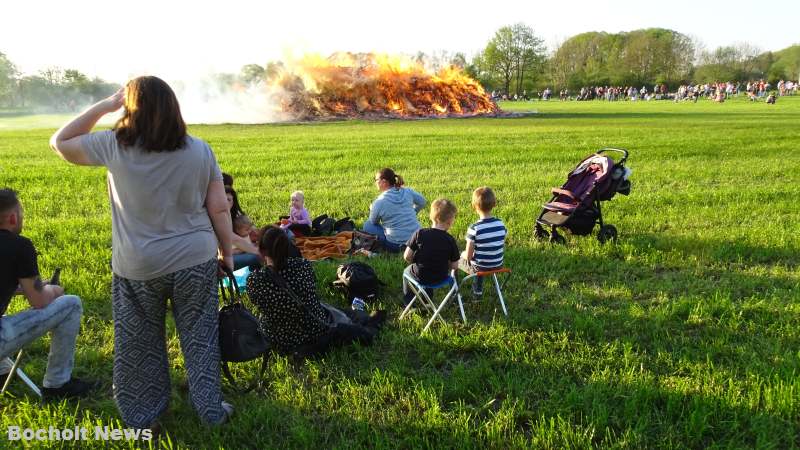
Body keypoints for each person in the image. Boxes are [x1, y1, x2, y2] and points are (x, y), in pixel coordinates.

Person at [49, 76, 233, 428]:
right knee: (201, 338)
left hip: (139, 265)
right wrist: (227, 253)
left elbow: (60, 142)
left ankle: (144, 416)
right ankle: (211, 411)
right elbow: (220, 209)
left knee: (139, 344)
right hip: (196, 257)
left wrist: (106, 105)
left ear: (130, 108)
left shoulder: (114, 145)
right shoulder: (200, 149)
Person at [0, 189, 94, 399]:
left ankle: (2, 372)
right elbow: (39, 301)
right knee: (71, 304)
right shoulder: (19, 246)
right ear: (13, 217)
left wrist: (26, 287)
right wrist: (53, 289)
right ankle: (57, 385)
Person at [247, 227, 386, 356]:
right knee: (341, 315)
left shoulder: (254, 280)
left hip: (279, 340)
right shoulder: (303, 266)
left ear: (262, 251)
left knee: (337, 312)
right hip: (313, 331)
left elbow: (260, 306)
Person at [402, 199, 460, 305]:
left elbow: (406, 256)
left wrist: (414, 262)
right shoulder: (450, 240)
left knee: (407, 271)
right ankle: (428, 301)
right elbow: (455, 266)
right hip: (441, 277)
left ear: (432, 216)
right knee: (431, 273)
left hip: (420, 274)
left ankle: (409, 303)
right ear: (450, 221)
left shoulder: (419, 233)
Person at [459, 187, 507, 298]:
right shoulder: (501, 224)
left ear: (474, 207)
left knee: (456, 260)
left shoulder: (474, 228)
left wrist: (462, 254)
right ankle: (477, 291)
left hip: (480, 267)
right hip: (498, 264)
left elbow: (469, 257)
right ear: (494, 204)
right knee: (480, 259)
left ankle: (456, 292)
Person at [363, 168, 426, 253]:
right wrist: (413, 212)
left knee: (367, 225)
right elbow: (422, 202)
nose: (375, 182)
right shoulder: (407, 191)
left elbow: (374, 221)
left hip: (396, 245)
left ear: (384, 182)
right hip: (417, 240)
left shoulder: (379, 202)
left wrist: (372, 209)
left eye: (376, 180)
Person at [226, 185, 261, 270]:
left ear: (233, 202)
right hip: (226, 257)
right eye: (223, 199)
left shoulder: (234, 213)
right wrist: (256, 251)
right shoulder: (218, 218)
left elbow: (252, 227)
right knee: (258, 257)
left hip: (239, 250)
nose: (226, 202)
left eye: (229, 200)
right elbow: (235, 241)